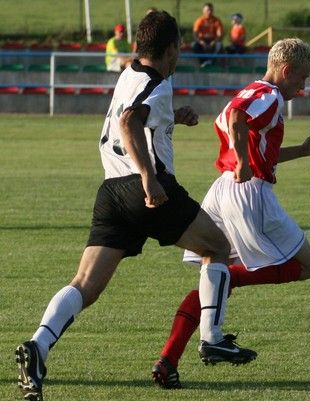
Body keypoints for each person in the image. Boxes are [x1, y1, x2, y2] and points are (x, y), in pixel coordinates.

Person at [15, 10, 255, 401]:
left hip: (111, 192)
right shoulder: (157, 83)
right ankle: (211, 338)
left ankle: (38, 346)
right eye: (179, 48)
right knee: (217, 246)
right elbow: (128, 122)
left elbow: (137, 114)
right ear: (171, 48)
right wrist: (148, 177)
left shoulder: (129, 73)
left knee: (85, 284)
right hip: (146, 189)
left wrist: (171, 118)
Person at [151, 38, 310, 389]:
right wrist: (245, 162)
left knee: (211, 280)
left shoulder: (252, 90)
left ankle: (168, 360)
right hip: (249, 192)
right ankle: (230, 285)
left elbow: (252, 140)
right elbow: (236, 119)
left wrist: (302, 151)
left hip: (222, 188)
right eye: (302, 78)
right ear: (286, 70)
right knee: (307, 266)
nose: (303, 87)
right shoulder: (271, 95)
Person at [192, 2, 224, 67]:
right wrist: (201, 42)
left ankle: (211, 61)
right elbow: (195, 34)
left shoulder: (217, 21)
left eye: (211, 10)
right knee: (194, 45)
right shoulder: (199, 20)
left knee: (219, 45)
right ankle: (203, 62)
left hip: (213, 41)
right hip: (202, 41)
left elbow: (219, 35)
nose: (209, 12)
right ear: (203, 11)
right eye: (207, 10)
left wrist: (214, 42)